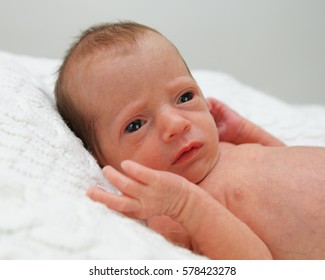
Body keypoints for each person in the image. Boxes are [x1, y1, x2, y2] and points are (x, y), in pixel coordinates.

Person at [55, 21, 325, 260]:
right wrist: (185, 204)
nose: (176, 123)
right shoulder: (170, 211)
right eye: (135, 124)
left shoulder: (222, 148)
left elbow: (283, 162)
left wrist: (246, 133)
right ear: (99, 158)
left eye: (184, 97)